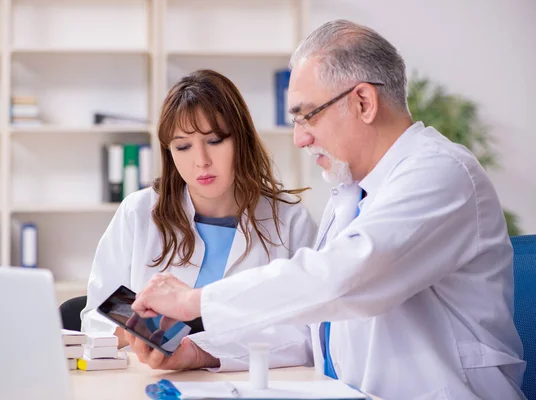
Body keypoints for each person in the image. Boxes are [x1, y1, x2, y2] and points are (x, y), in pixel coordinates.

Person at [131, 20, 527, 400]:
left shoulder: (441, 174)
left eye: (308, 115)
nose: (301, 138)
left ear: (363, 102)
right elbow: (307, 327)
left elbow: (340, 280)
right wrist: (200, 352)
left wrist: (195, 301)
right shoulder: (350, 194)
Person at [80, 69, 317, 371]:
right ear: (169, 152)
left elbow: (307, 336)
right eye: (183, 146)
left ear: (241, 140)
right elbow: (96, 319)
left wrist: (200, 354)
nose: (201, 160)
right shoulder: (138, 213)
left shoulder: (290, 219)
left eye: (215, 140)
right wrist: (141, 329)